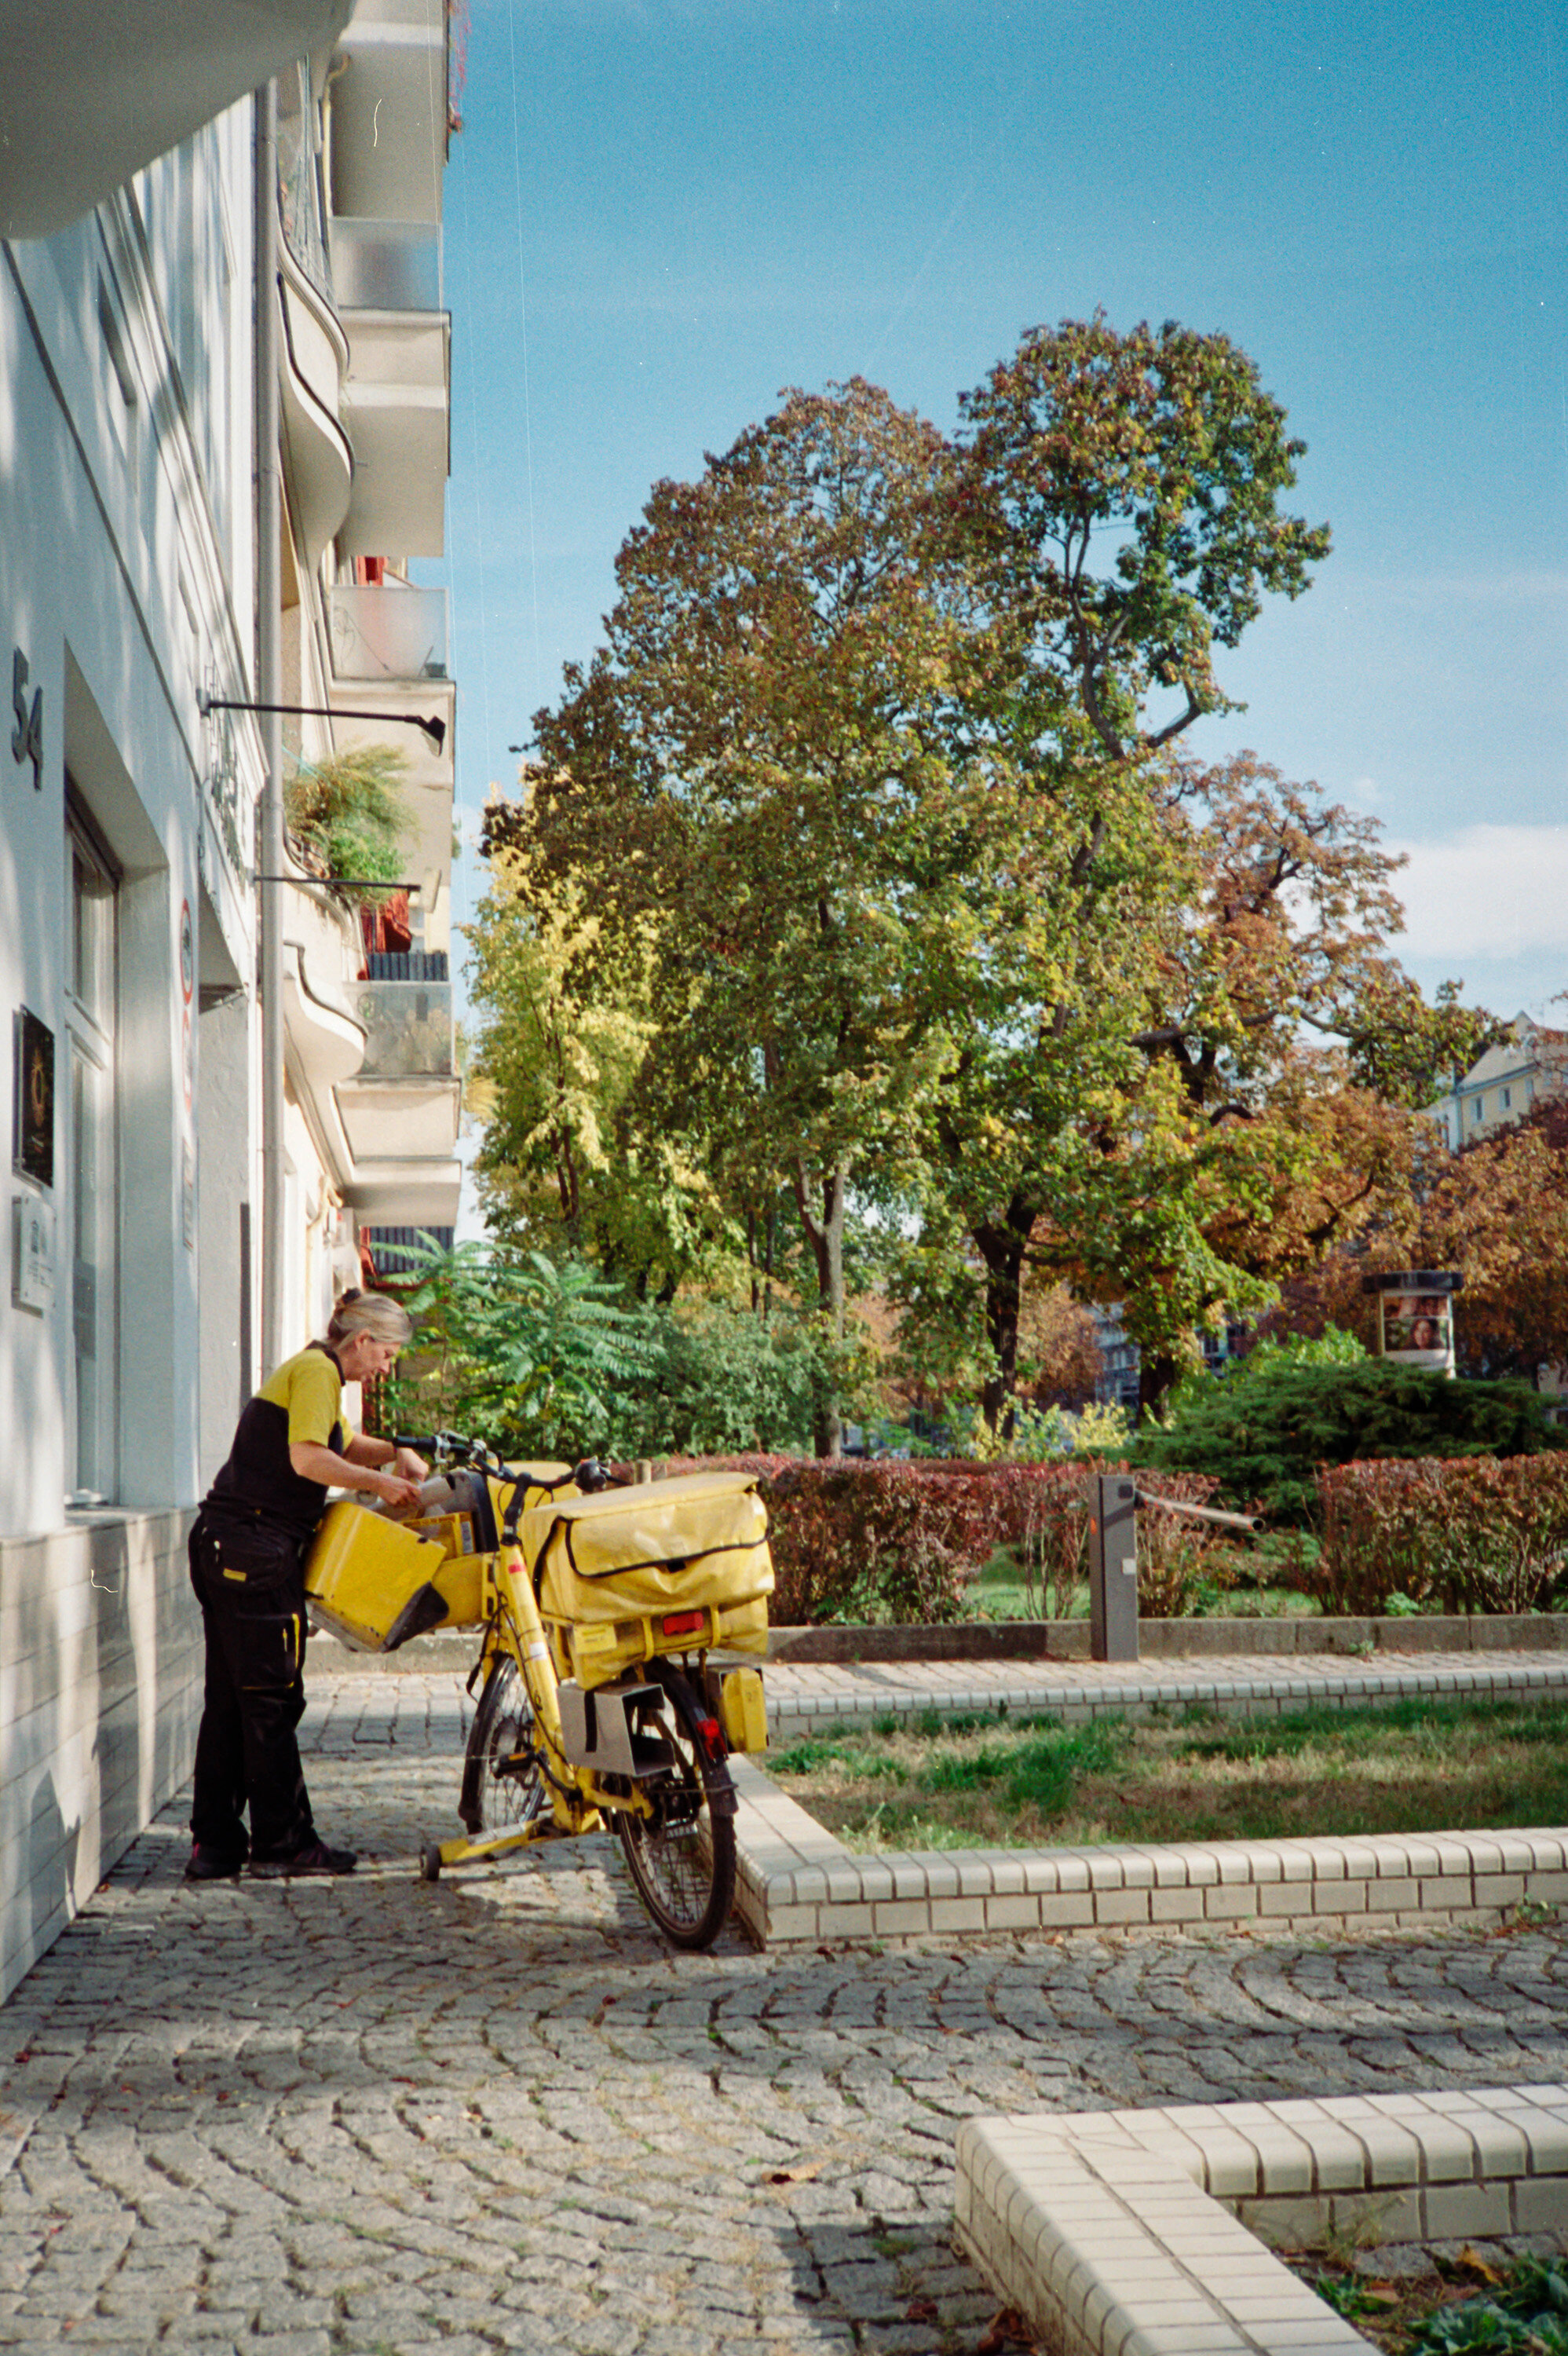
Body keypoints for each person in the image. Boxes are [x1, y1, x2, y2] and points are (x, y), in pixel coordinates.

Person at [185, 1290, 428, 1882]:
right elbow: (309, 1460)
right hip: (254, 1551)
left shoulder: (313, 1369)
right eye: (387, 1354)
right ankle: (283, 1843)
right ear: (362, 1340)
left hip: (228, 1543)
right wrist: (381, 1482)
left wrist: (398, 1453)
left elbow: (340, 1444)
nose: (385, 1368)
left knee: (232, 1701)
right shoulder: (319, 1372)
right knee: (271, 1701)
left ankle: (215, 1845)